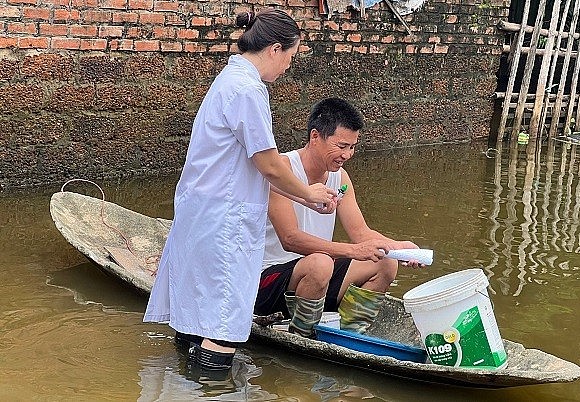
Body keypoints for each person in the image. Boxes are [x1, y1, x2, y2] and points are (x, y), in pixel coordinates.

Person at [143, 10, 337, 373]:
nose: (286, 69)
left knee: (197, 316)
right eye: (290, 58)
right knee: (224, 322)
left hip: (204, 212)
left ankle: (185, 389)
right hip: (223, 222)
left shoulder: (229, 79)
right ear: (275, 49)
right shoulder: (248, 89)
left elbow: (257, 166)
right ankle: (213, 390)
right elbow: (269, 164)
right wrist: (310, 195)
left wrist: (302, 193)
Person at [254, 97, 423, 338]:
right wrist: (352, 251)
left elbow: (361, 234)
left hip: (317, 280)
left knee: (385, 262)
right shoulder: (282, 170)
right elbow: (290, 239)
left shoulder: (340, 178)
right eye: (341, 146)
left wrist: (399, 248)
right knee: (321, 263)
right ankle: (302, 336)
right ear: (315, 137)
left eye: (352, 147)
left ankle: (351, 335)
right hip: (268, 281)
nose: (347, 154)